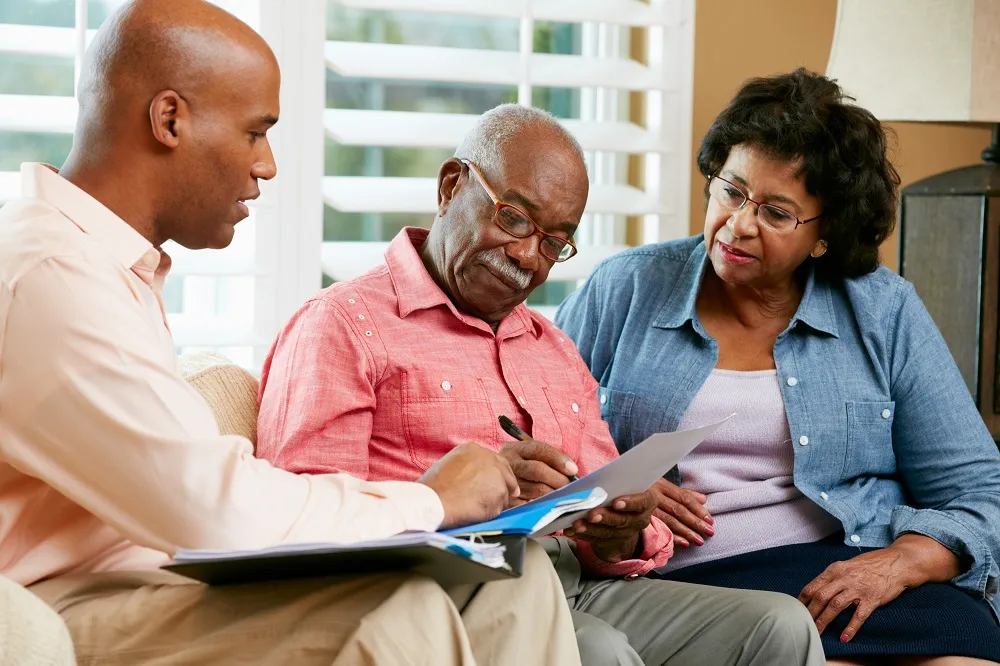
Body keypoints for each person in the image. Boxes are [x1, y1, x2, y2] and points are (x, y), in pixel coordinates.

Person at [0, 2, 584, 664]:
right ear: (170, 120)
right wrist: (427, 499)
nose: (268, 165)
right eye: (255, 133)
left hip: (152, 581)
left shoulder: (109, 266)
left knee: (516, 576)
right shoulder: (46, 272)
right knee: (404, 611)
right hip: (61, 605)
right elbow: (209, 508)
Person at [257, 103, 827, 666]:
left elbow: (619, 518)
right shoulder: (342, 324)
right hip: (448, 592)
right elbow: (300, 522)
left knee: (779, 624)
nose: (528, 257)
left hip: (578, 582)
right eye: (513, 218)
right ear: (451, 186)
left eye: (554, 242)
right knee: (598, 650)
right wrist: (465, 497)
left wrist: (622, 530)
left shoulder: (551, 347)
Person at [556, 68, 1000, 665]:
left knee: (966, 651)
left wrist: (902, 562)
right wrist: (615, 485)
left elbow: (978, 492)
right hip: (678, 580)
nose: (739, 224)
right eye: (731, 191)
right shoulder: (628, 286)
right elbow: (530, 433)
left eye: (776, 212)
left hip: (840, 567)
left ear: (825, 234)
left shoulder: (882, 310)